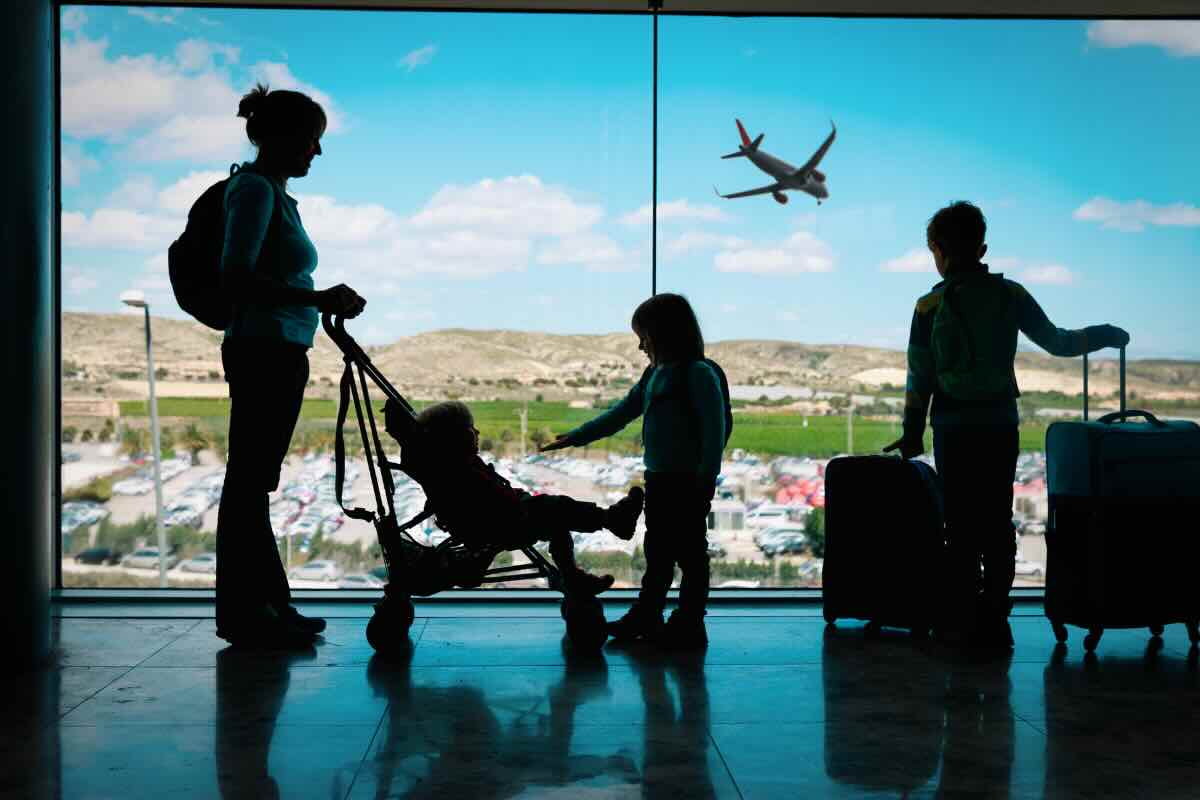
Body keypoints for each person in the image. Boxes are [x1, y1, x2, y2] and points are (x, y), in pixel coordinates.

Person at [884, 201, 1129, 652]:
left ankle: (961, 620)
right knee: (997, 522)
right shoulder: (1010, 295)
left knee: (959, 525)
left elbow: (919, 378)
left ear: (937, 249)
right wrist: (1105, 334)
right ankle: (996, 618)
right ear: (982, 248)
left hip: (953, 427)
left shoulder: (928, 305)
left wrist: (912, 431)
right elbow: (1058, 342)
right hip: (999, 424)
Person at [215, 83, 367, 648]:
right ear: (280, 137)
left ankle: (268, 606)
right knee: (248, 483)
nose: (317, 151)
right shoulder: (255, 190)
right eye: (311, 139)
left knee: (253, 482)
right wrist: (317, 297)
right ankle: (249, 613)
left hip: (276, 348)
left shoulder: (272, 193)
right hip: (264, 350)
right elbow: (236, 276)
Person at [543, 294, 727, 648]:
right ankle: (651, 616)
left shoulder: (698, 375)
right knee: (659, 552)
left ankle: (686, 622)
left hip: (688, 483)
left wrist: (705, 481)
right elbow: (621, 412)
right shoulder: (655, 375)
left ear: (664, 334)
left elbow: (713, 434)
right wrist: (576, 437)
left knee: (689, 555)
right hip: (659, 479)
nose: (641, 346)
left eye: (644, 336)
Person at [394, 400, 646, 595]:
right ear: (458, 437)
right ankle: (611, 521)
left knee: (556, 518)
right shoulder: (461, 471)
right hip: (500, 524)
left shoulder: (451, 467)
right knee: (555, 508)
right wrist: (523, 503)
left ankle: (574, 574)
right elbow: (496, 502)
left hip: (496, 520)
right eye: (471, 429)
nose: (478, 432)